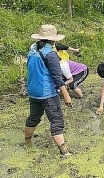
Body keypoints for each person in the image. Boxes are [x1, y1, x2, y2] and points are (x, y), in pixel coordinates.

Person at [25, 24, 72, 157]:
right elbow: (57, 78)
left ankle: (27, 143)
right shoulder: (50, 54)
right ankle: (64, 152)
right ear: (53, 40)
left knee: (34, 117)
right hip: (47, 93)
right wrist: (66, 95)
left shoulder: (32, 50)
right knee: (56, 121)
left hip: (33, 92)